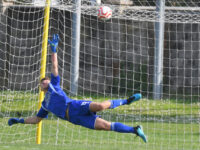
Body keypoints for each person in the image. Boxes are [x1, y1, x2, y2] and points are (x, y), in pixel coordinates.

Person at [8, 34, 147, 143]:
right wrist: (19, 121)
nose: (45, 82)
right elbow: (36, 120)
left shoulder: (54, 85)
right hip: (75, 119)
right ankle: (135, 130)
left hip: (75, 106)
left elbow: (54, 66)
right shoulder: (45, 105)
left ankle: (126, 101)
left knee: (100, 106)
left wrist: (54, 50)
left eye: (47, 80)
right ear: (40, 87)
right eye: (43, 82)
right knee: (105, 126)